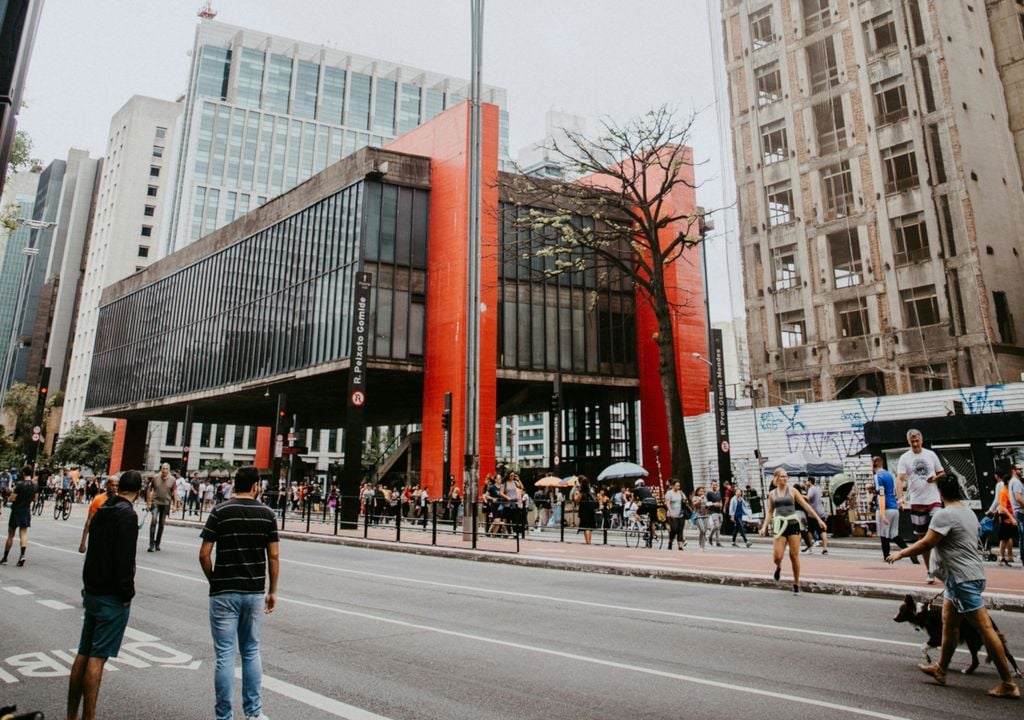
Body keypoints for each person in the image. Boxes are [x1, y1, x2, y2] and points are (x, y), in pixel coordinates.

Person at [886, 475, 1020, 699]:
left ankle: (1008, 683)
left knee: (986, 629)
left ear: (940, 493)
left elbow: (927, 542)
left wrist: (900, 553)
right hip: (968, 577)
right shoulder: (968, 512)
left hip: (962, 580)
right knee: (949, 624)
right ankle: (941, 668)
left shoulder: (943, 515)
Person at [199, 466, 279, 720]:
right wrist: (272, 590)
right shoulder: (267, 514)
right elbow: (274, 555)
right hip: (254, 591)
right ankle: (254, 713)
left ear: (235, 484)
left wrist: (215, 580)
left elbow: (204, 553)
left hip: (223, 591)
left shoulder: (220, 511)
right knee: (251, 651)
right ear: (256, 485)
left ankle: (224, 716)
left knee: (224, 654)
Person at [66, 470, 142, 720]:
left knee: (83, 651)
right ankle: (89, 716)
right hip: (112, 594)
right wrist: (127, 592)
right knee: (98, 658)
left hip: (92, 589)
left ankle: (71, 715)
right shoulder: (127, 516)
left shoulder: (103, 509)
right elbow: (124, 559)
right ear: (139, 492)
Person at [759, 468, 826, 595]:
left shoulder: (793, 491)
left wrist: (818, 520)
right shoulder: (772, 494)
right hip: (780, 526)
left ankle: (796, 583)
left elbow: (806, 505)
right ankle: (778, 567)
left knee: (794, 556)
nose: (784, 478)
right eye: (782, 476)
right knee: (777, 556)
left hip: (793, 524)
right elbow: (769, 512)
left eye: (786, 476)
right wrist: (763, 527)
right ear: (777, 478)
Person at [896, 428, 945, 584]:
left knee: (939, 534)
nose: (915, 444)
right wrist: (900, 498)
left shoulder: (930, 455)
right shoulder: (905, 458)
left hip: (934, 499)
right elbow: (900, 479)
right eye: (912, 442)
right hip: (917, 501)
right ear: (909, 442)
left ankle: (944, 566)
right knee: (922, 538)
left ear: (922, 440)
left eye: (917, 441)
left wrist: (934, 478)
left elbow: (942, 472)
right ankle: (930, 571)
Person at [872, 456, 917, 564]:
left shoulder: (878, 476)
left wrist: (882, 514)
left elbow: (881, 495)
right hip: (894, 507)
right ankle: (910, 552)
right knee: (894, 534)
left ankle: (886, 556)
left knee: (884, 534)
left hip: (885, 508)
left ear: (874, 464)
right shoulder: (889, 475)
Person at [1, 467, 37, 567]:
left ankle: (5, 557)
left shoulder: (20, 484)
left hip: (17, 510)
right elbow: (35, 498)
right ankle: (22, 555)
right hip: (26, 510)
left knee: (11, 534)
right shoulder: (34, 485)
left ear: (23, 473)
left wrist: (9, 497)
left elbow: (12, 498)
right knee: (23, 533)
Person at [78, 476, 120, 554]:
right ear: (107, 485)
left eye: (117, 485)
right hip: (97, 537)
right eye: (112, 485)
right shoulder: (98, 499)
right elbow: (89, 520)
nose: (114, 488)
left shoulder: (120, 501)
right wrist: (83, 543)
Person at [992, 465, 1018, 567]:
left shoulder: (1009, 491)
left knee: (1007, 537)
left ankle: (1008, 556)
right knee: (1005, 538)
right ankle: (1003, 557)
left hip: (1011, 517)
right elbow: (1002, 507)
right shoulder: (1004, 492)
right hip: (1007, 517)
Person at [147, 463, 175, 552]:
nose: (165, 470)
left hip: (166, 503)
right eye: (163, 468)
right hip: (156, 502)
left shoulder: (172, 479)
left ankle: (157, 543)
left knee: (162, 524)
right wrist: (148, 503)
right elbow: (149, 489)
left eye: (166, 469)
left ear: (169, 470)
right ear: (161, 469)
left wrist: (175, 505)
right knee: (153, 521)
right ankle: (151, 544)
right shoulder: (155, 477)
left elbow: (174, 493)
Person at [802, 477, 829, 555]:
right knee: (822, 531)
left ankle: (809, 547)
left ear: (810, 481)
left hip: (813, 513)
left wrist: (799, 495)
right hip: (821, 512)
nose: (805, 483)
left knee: (810, 530)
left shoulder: (811, 489)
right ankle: (825, 549)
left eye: (806, 481)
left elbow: (808, 497)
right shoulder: (817, 489)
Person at [663, 479, 687, 551]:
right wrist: (670, 512)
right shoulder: (669, 493)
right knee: (674, 529)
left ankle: (680, 545)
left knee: (680, 530)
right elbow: (667, 503)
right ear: (673, 486)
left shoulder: (681, 493)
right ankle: (670, 541)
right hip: (672, 515)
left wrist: (685, 501)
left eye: (679, 486)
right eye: (676, 486)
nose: (678, 487)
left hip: (681, 514)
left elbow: (685, 500)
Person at [572, 475, 597, 544]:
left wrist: (575, 489)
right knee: (589, 527)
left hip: (583, 510)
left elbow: (576, 500)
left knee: (586, 527)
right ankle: (588, 541)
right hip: (591, 510)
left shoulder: (579, 490)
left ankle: (588, 542)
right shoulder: (591, 490)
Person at [1010, 464, 1024, 568]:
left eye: (1022, 469)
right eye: (1019, 469)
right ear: (1013, 471)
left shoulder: (1012, 482)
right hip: (1021, 512)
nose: (1021, 470)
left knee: (1022, 537)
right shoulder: (1017, 482)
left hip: (1018, 512)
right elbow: (1018, 498)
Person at [705, 480, 724, 547]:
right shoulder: (709, 493)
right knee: (716, 526)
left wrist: (721, 505)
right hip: (713, 511)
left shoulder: (719, 493)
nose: (714, 486)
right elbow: (706, 503)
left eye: (716, 485)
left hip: (719, 511)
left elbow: (720, 500)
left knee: (718, 527)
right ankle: (710, 537)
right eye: (713, 485)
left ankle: (718, 542)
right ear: (711, 485)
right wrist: (713, 504)